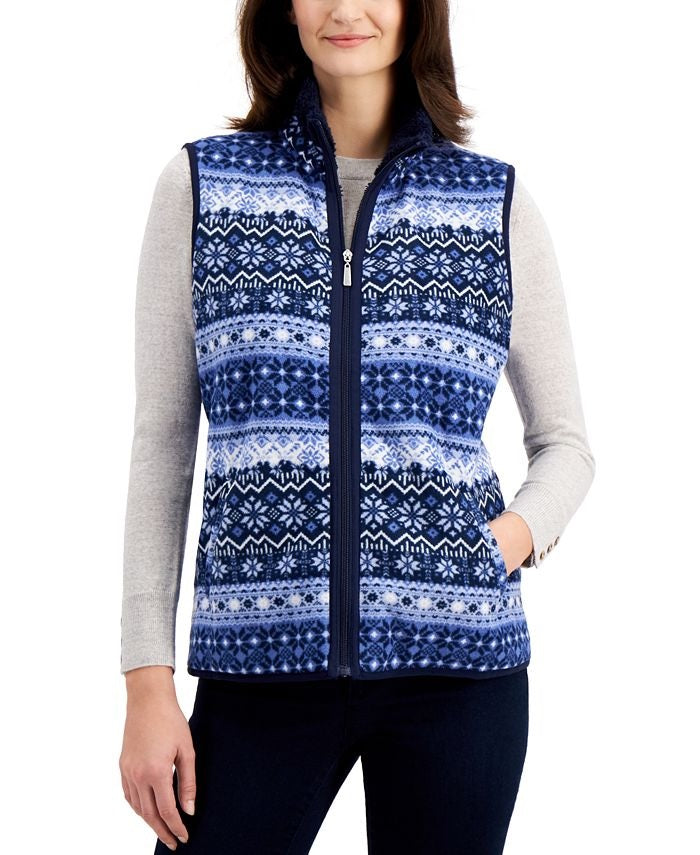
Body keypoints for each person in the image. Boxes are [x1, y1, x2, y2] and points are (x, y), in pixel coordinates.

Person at [119, 1, 596, 852]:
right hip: (256, 672)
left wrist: (500, 544)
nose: (346, 8)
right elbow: (162, 447)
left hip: (459, 676)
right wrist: (145, 681)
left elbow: (565, 443)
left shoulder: (492, 203)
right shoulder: (203, 187)